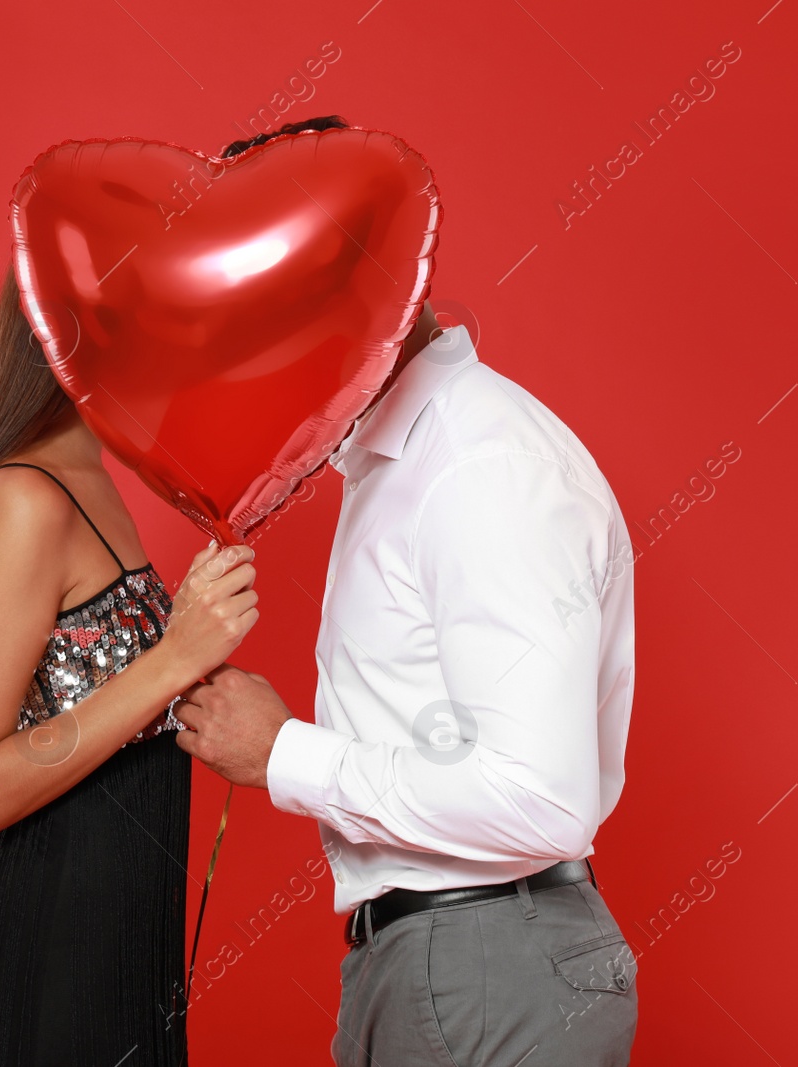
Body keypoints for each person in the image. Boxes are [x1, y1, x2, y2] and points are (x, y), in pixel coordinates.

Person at [176, 118, 639, 1066]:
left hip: (482, 965)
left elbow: (540, 799)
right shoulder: (404, 463)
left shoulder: (477, 465)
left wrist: (284, 753)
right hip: (448, 960)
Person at [0, 264, 259, 1066]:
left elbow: (104, 703)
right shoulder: (24, 496)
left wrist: (204, 690)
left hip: (112, 965)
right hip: (26, 967)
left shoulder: (97, 475)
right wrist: (173, 660)